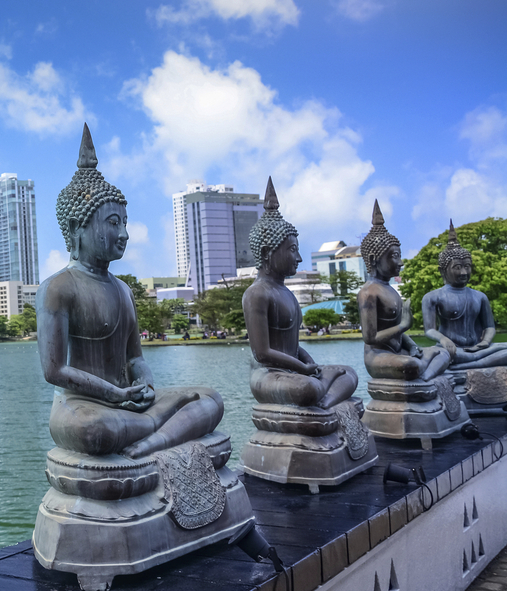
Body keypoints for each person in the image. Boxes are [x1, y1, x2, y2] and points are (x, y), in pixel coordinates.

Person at [37, 125, 223, 460]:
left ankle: (151, 440)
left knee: (208, 398)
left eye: (125, 222)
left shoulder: (123, 290)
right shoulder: (58, 287)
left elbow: (135, 357)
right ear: (78, 228)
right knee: (94, 431)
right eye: (112, 223)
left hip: (128, 402)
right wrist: (114, 395)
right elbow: (54, 371)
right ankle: (163, 431)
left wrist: (146, 386)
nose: (124, 233)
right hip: (83, 408)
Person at [243, 179, 359, 408]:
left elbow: (292, 346)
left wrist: (310, 364)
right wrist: (303, 370)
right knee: (307, 388)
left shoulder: (286, 292)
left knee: (349, 374)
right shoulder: (256, 294)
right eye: (293, 250)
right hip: (268, 375)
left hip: (294, 370)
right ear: (267, 252)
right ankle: (321, 397)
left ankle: (323, 404)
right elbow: (263, 353)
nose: (299, 258)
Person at [357, 201, 450, 381]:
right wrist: (403, 325)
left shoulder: (390, 289)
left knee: (442, 352)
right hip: (378, 356)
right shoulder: (368, 293)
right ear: (373, 259)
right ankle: (424, 375)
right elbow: (370, 338)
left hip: (399, 351)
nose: (400, 262)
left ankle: (425, 377)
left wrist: (413, 346)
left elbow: (398, 333)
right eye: (394, 256)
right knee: (409, 365)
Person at [421, 222, 507, 369]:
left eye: (467, 267)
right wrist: (443, 340)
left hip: (478, 349)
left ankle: (466, 365)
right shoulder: (433, 297)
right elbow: (429, 330)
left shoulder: (480, 296)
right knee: (439, 354)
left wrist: (484, 343)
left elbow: (489, 327)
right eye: (457, 267)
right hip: (451, 350)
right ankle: (472, 363)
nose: (464, 273)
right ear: (443, 270)